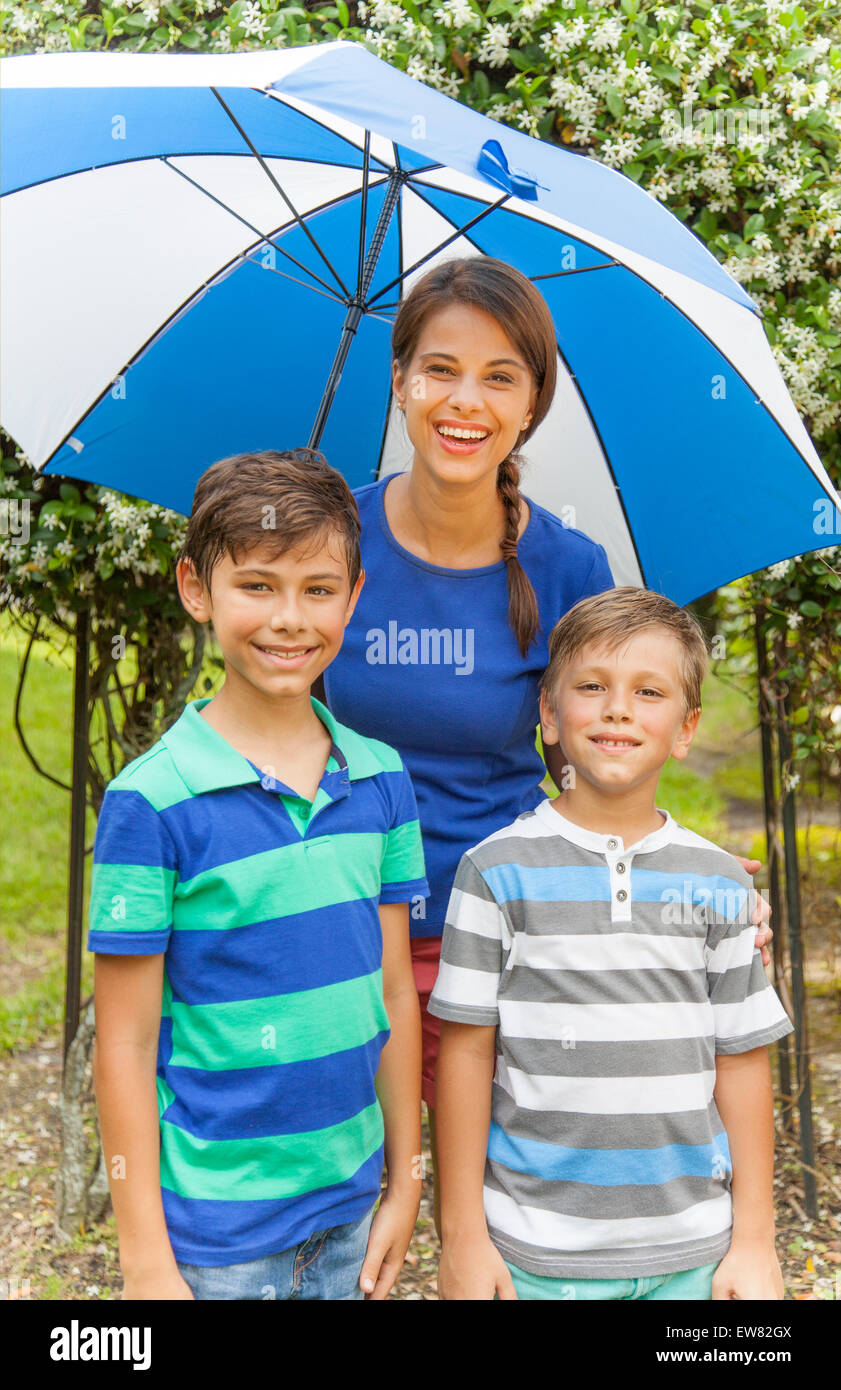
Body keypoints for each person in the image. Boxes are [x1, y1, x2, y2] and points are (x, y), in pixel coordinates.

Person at [321, 257, 774, 1213]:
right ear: (399, 378)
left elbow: (606, 744)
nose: (464, 400)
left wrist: (689, 874)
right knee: (343, 1210)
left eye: (500, 376)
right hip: (336, 925)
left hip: (504, 936)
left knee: (501, 1217)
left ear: (532, 403)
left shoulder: (569, 566)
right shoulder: (331, 543)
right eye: (439, 369)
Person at [88, 449, 428, 1301]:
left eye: (318, 588)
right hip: (215, 1242)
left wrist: (406, 1180)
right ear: (196, 589)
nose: (289, 618)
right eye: (257, 586)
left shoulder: (383, 778)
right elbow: (124, 1044)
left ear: (354, 596)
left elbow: (391, 993)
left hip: (350, 1220)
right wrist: (144, 1264)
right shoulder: (150, 804)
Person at [429, 586, 793, 1301]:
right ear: (548, 712)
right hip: (533, 1254)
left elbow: (743, 1060)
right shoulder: (493, 872)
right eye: (591, 687)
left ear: (686, 729)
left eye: (647, 692)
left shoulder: (719, 882)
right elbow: (465, 1055)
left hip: (693, 1252)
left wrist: (754, 1241)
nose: (617, 709)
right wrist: (463, 1236)